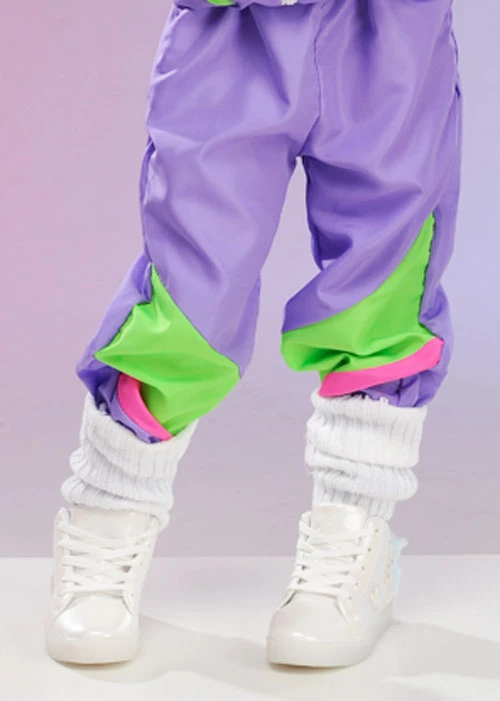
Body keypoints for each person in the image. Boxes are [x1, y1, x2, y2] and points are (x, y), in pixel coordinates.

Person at [45, 0, 461, 668]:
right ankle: (109, 505)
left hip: (389, 29)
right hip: (231, 28)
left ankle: (353, 528)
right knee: (189, 289)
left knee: (385, 277)